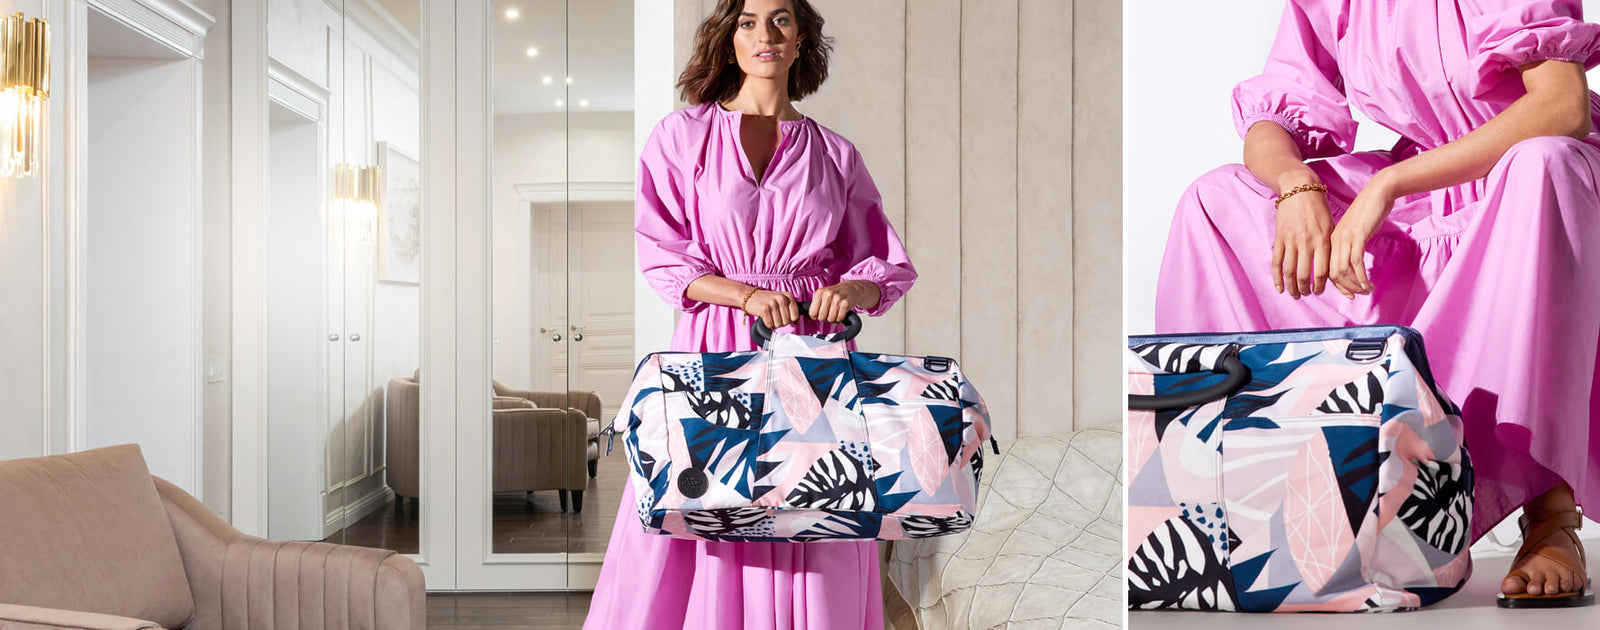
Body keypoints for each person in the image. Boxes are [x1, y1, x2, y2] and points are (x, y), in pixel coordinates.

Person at [1156, 0, 1600, 608]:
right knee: (1215, 200)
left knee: (1542, 165)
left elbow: (1562, 108)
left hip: (1534, 170)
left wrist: (1388, 186)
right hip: (1424, 185)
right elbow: (1276, 115)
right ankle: (1247, 485)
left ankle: (1549, 514)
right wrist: (1296, 184)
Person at [583, 0, 916, 627]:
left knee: (819, 499)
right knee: (701, 495)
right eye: (747, 20)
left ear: (801, 41)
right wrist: (743, 294)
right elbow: (662, 254)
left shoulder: (836, 154)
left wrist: (851, 292)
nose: (764, 33)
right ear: (727, 38)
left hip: (812, 352)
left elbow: (884, 265)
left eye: (782, 19)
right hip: (717, 342)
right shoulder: (680, 136)